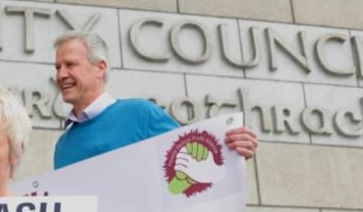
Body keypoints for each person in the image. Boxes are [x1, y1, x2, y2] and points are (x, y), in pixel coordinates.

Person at [53, 30, 258, 170]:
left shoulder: (140, 115)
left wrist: (230, 151)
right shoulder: (63, 145)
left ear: (100, 67)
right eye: (57, 67)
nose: (61, 75)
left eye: (70, 64)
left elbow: (192, 165)